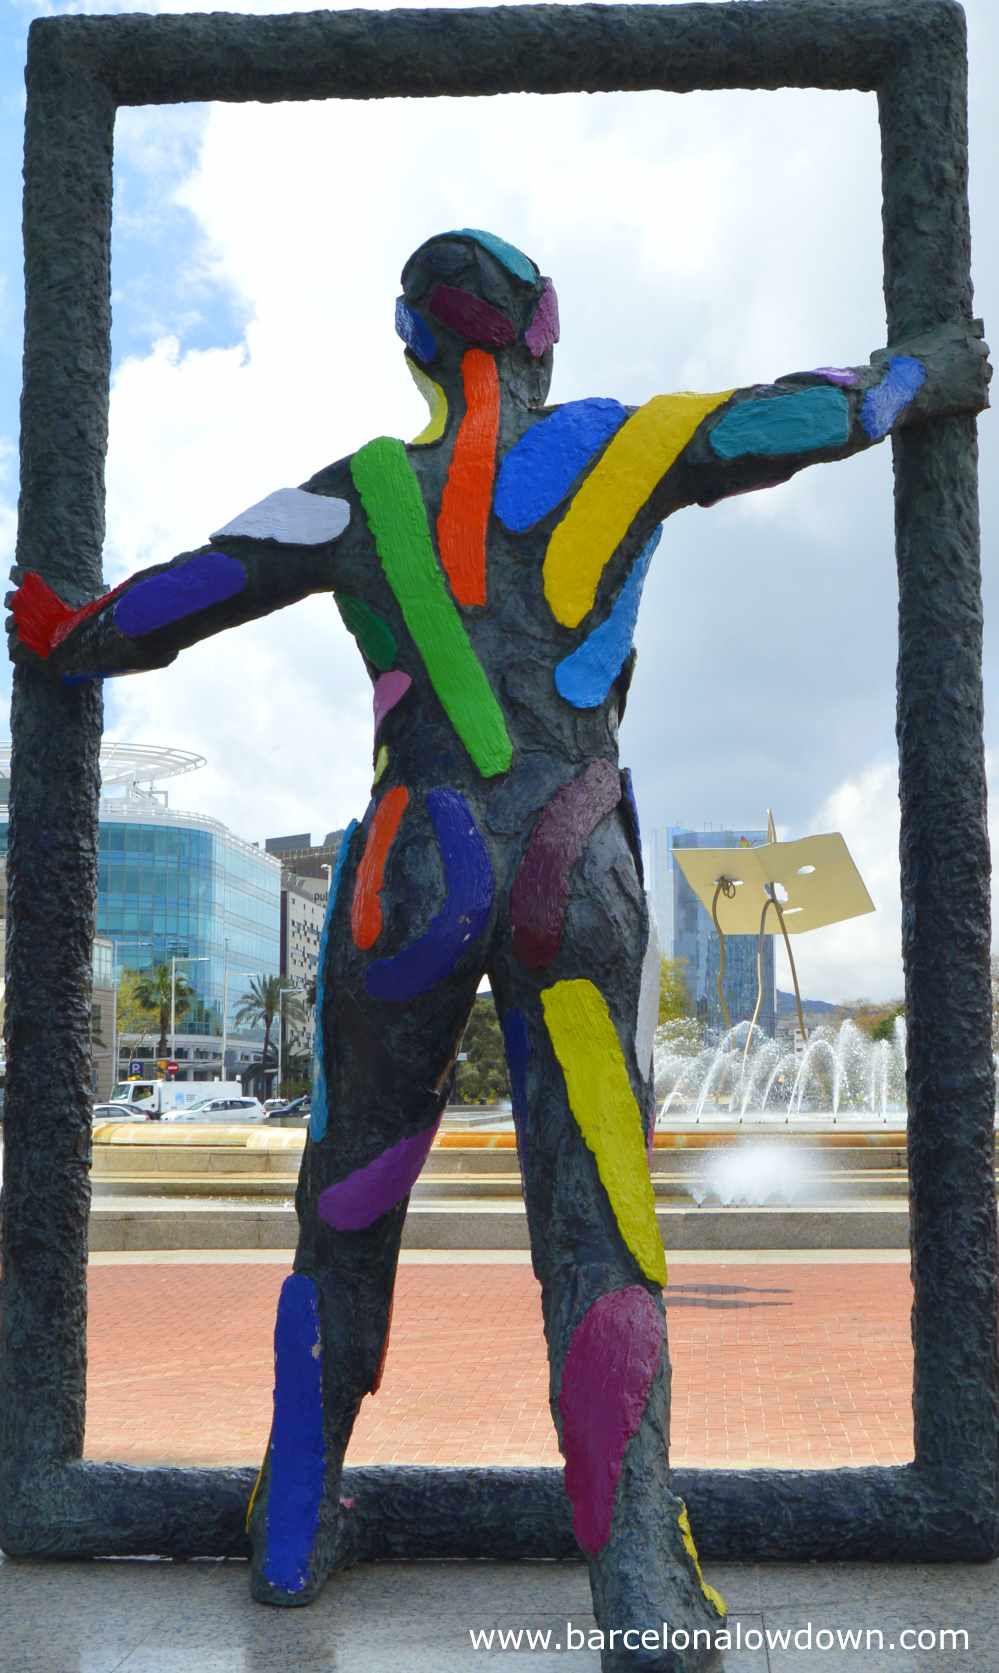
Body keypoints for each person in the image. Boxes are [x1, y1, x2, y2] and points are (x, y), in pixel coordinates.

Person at [8, 230, 989, 1672]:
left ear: (413, 342)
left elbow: (183, 593)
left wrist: (63, 628)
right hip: (569, 853)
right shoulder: (621, 445)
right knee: (599, 1210)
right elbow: (804, 410)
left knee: (345, 1200)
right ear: (545, 336)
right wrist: (939, 371)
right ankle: (642, 1582)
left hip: (408, 866)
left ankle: (291, 1531)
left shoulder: (358, 492)